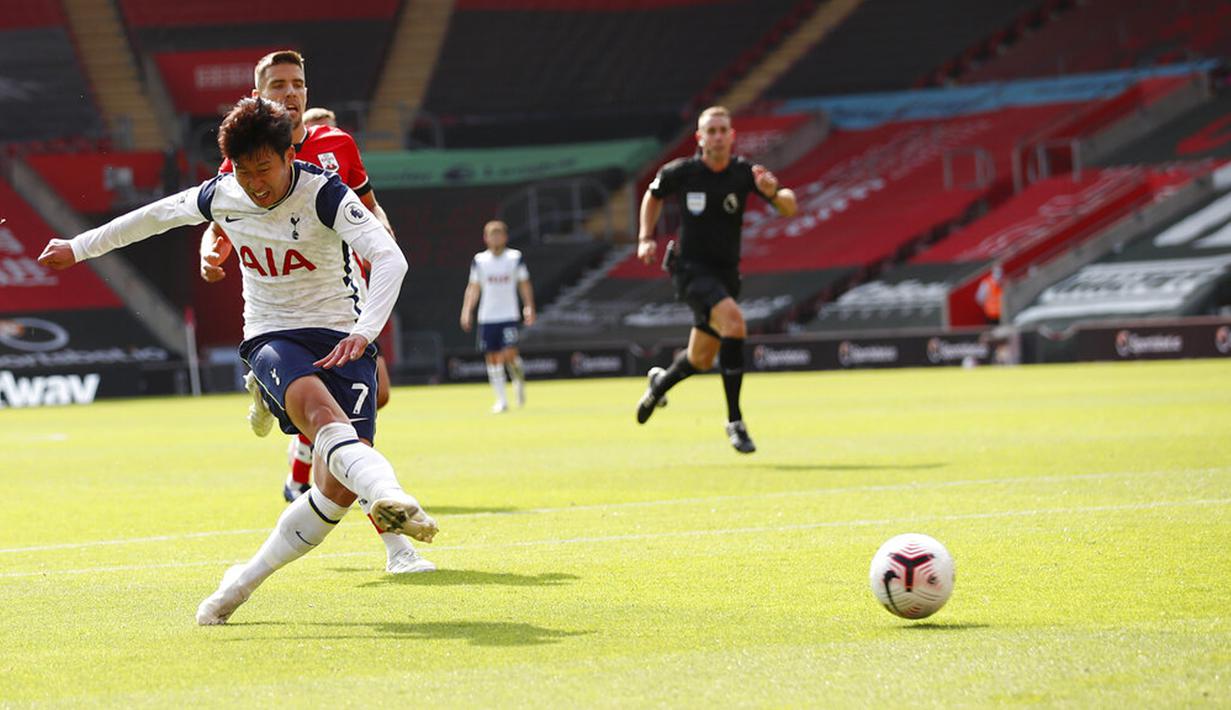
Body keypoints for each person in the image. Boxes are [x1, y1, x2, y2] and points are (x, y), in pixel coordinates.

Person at [38, 98, 438, 625]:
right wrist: (78, 247)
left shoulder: (325, 194)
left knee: (336, 489)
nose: (255, 183)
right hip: (272, 335)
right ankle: (389, 494)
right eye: (245, 171)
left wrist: (364, 334)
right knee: (320, 418)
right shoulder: (222, 195)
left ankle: (240, 582)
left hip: (342, 334)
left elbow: (391, 257)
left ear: (289, 154)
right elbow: (153, 217)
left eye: (264, 168)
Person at [196, 52, 423, 574]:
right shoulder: (250, 152)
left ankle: (297, 460)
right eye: (278, 85)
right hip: (282, 308)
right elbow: (219, 213)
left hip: (343, 300)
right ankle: (396, 546)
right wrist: (212, 250)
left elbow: (367, 200)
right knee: (340, 427)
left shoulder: (337, 145)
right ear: (258, 96)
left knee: (368, 404)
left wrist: (380, 232)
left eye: (297, 84)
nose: (290, 93)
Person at [634, 106, 797, 453]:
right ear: (700, 138)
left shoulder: (743, 173)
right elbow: (653, 195)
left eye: (723, 130)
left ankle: (659, 384)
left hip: (726, 273)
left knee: (701, 359)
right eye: (711, 131)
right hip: (690, 270)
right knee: (735, 325)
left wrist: (773, 192)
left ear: (732, 136)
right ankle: (735, 421)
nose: (718, 136)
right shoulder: (683, 172)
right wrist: (646, 237)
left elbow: (788, 206)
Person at [460, 220, 536, 413]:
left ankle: (518, 378)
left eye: (499, 234)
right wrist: (467, 310)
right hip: (487, 316)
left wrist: (528, 307)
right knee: (493, 357)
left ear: (505, 237)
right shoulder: (480, 260)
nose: (495, 238)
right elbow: (473, 287)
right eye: (491, 235)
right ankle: (501, 400)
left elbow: (524, 284)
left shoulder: (514, 258)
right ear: (485, 238)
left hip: (508, 314)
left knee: (509, 353)